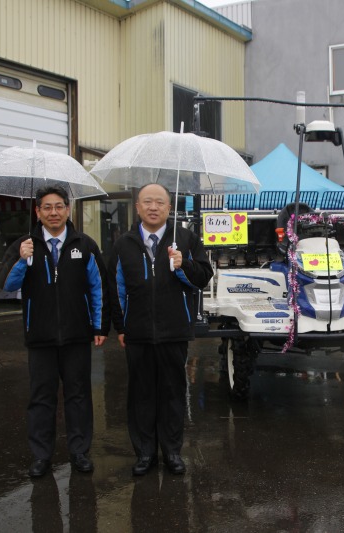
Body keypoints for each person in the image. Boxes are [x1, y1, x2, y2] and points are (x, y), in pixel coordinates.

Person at [0, 185, 111, 478]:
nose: (53, 212)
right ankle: (40, 456)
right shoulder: (25, 245)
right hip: (40, 337)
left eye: (59, 206)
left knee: (78, 396)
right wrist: (22, 259)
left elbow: (99, 287)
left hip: (77, 335)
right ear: (37, 212)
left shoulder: (84, 245)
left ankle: (79, 452)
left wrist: (100, 325)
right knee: (41, 399)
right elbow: (6, 285)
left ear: (68, 209)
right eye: (47, 207)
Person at [108, 183, 213, 476]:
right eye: (147, 202)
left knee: (172, 393)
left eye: (159, 202)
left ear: (169, 208)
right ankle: (144, 453)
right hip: (137, 332)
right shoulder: (123, 244)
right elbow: (115, 289)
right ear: (138, 207)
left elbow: (203, 278)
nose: (153, 207)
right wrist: (121, 326)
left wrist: (183, 265)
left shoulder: (187, 239)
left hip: (174, 330)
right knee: (141, 394)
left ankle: (172, 452)